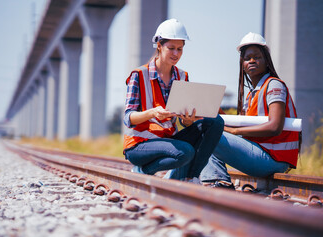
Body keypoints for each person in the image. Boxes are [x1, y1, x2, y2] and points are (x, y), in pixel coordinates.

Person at [123, 19, 224, 182]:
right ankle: (143, 169)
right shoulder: (139, 75)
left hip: (168, 140)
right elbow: (128, 118)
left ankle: (191, 178)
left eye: (180, 49)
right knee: (185, 152)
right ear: (159, 46)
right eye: (171, 48)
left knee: (215, 121)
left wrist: (188, 122)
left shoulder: (182, 76)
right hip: (140, 144)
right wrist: (152, 113)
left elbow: (182, 122)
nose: (176, 54)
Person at [200, 32, 301, 189]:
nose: (252, 61)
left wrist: (232, 132)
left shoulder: (273, 85)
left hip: (273, 159)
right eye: (247, 58)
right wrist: (216, 112)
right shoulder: (252, 94)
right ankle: (215, 180)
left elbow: (275, 127)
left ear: (266, 61)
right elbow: (245, 130)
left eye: (257, 57)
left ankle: (218, 182)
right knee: (204, 127)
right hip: (263, 155)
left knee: (209, 133)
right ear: (242, 64)